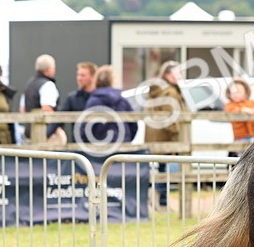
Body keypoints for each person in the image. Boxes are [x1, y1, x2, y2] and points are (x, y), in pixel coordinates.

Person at [145, 61, 189, 207]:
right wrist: (175, 139)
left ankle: (159, 199)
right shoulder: (169, 91)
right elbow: (171, 117)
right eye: (177, 73)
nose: (180, 76)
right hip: (165, 136)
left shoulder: (157, 90)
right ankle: (160, 200)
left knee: (160, 168)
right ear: (168, 75)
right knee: (164, 170)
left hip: (155, 135)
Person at [77, 66, 137, 149]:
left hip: (99, 150)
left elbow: (84, 128)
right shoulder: (122, 100)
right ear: (112, 80)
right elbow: (133, 124)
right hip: (122, 147)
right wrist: (127, 140)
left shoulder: (92, 102)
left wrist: (88, 146)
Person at [47, 61, 98, 142]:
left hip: (100, 147)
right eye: (78, 75)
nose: (79, 78)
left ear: (93, 77)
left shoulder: (101, 98)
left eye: (83, 75)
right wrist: (44, 137)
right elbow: (59, 119)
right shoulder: (73, 98)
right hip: (78, 147)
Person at [19, 54, 59, 141]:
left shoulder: (28, 84)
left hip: (28, 134)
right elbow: (47, 109)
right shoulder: (48, 85)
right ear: (49, 69)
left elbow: (22, 109)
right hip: (44, 134)